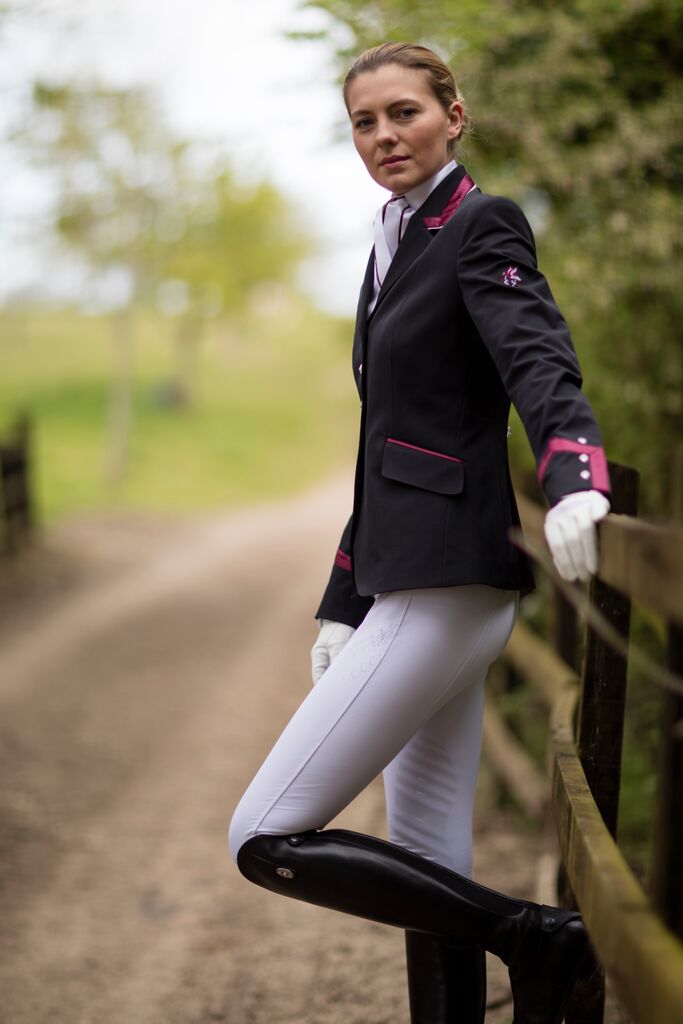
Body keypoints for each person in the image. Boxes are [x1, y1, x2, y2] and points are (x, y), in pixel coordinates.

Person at [228, 41, 611, 1024]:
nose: (382, 135)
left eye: (402, 112)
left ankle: (543, 939)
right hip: (409, 582)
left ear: (452, 113)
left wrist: (573, 470)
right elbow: (380, 451)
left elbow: (537, 357)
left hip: (445, 585)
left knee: (263, 832)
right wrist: (339, 599)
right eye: (363, 121)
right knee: (430, 847)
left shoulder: (479, 223)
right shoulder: (389, 240)